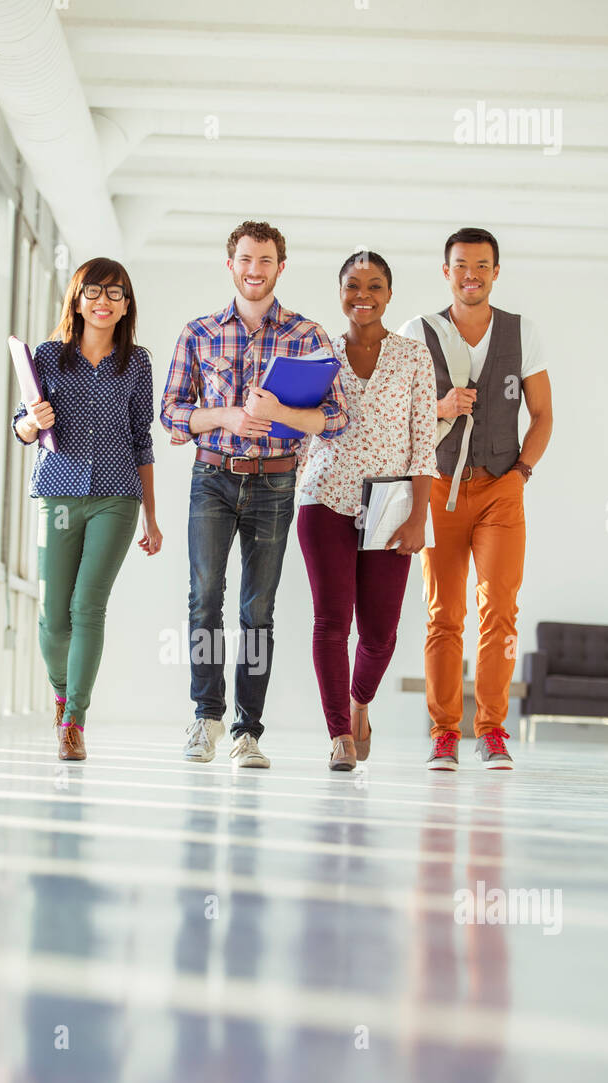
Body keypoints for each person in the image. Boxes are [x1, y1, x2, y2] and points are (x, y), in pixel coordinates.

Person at [160, 220, 347, 768]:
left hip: (275, 483)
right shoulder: (198, 332)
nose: (254, 270)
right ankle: (205, 716)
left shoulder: (308, 336)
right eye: (245, 259)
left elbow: (333, 419)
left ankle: (248, 732)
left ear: (280, 268)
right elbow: (171, 413)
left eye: (265, 260)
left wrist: (277, 414)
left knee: (257, 610)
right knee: (203, 600)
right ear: (230, 265)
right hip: (212, 478)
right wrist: (228, 417)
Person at [399, 227, 552, 770]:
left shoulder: (521, 332)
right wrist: (440, 407)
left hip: (500, 489)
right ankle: (445, 731)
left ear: (495, 272)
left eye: (482, 265)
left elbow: (542, 416)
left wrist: (522, 473)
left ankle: (491, 729)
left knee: (501, 611)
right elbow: (393, 414)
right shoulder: (416, 331)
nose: (471, 274)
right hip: (438, 488)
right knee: (444, 614)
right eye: (461, 264)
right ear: (447, 271)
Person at [11, 256, 161, 762]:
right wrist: (32, 421)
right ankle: (61, 692)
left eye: (115, 293)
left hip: (117, 498)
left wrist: (152, 517)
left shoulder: (136, 363)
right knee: (53, 616)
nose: (103, 301)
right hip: (56, 493)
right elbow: (22, 427)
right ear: (76, 299)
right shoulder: (50, 357)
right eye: (93, 291)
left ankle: (74, 720)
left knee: (86, 607)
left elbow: (143, 440)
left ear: (126, 306)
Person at [296, 251, 437, 771]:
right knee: (331, 621)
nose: (363, 295)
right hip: (323, 497)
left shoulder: (413, 357)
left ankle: (360, 704)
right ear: (339, 292)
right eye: (353, 285)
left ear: (389, 295)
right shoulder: (318, 354)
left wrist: (418, 514)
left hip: (391, 503)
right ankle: (338, 735)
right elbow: (301, 428)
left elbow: (424, 442)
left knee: (379, 634)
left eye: (374, 286)